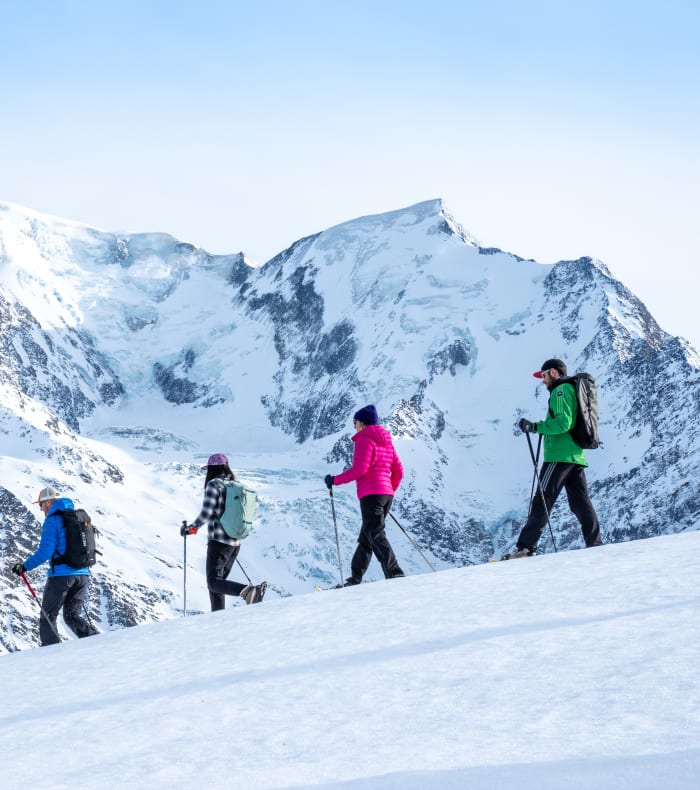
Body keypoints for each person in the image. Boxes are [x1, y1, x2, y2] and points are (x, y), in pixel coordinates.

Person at [503, 358, 603, 559]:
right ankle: (595, 544)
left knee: (542, 499)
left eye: (543, 376)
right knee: (581, 503)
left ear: (553, 373)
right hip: (575, 456)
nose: (543, 381)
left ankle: (526, 548)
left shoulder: (560, 391)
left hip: (558, 456)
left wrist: (535, 427)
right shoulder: (571, 390)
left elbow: (562, 424)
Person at [325, 404, 405, 586]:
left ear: (362, 422)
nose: (354, 426)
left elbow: (360, 470)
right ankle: (355, 578)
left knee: (374, 533)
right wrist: (388, 490)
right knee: (367, 536)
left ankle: (395, 572)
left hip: (371, 494)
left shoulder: (365, 439)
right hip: (385, 494)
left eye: (355, 422)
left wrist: (335, 480)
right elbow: (399, 471)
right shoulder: (387, 442)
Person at [11, 487, 99, 646]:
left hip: (61, 577)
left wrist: (24, 567)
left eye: (41, 504)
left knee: (48, 616)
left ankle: (51, 654)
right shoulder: (78, 518)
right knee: (72, 616)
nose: (41, 508)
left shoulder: (52, 521)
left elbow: (45, 552)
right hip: (83, 575)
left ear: (49, 502)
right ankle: (97, 641)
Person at [182, 453, 267, 610]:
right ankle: (218, 618)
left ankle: (248, 592)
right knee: (217, 584)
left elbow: (207, 512)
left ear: (211, 470)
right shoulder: (234, 485)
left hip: (219, 542)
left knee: (214, 582)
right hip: (234, 543)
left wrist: (191, 528)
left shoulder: (215, 485)